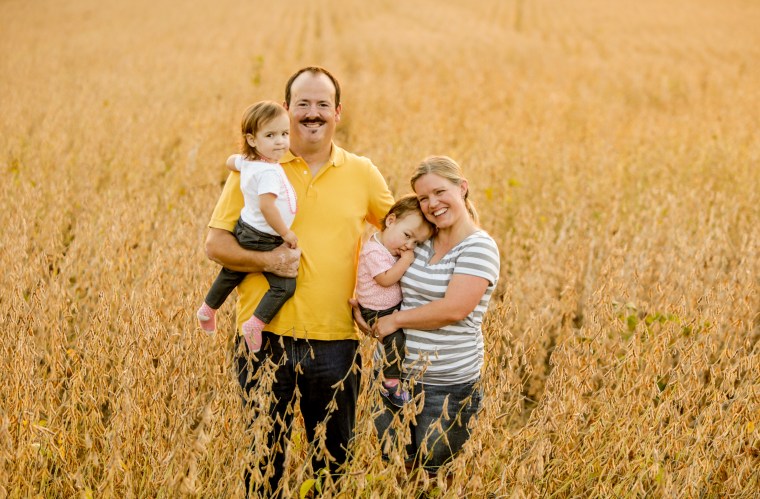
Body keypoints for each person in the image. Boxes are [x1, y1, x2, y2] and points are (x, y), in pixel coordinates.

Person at [204, 67, 394, 496]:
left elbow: (404, 230)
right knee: (261, 465)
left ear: (338, 113)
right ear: (286, 110)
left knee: (332, 467)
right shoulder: (256, 170)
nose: (313, 113)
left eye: (323, 104)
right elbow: (216, 245)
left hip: (335, 343)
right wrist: (269, 258)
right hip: (263, 338)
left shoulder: (362, 172)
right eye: (303, 104)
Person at [359, 155, 500, 474]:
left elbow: (454, 309)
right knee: (398, 470)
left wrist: (394, 321)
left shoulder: (478, 247)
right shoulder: (419, 241)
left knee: (436, 477)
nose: (432, 203)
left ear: (462, 188)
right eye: (423, 198)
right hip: (393, 378)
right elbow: (383, 281)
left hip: (445, 386)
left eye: (439, 192)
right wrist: (368, 319)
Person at [197, 101, 297, 354]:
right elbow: (267, 206)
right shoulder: (269, 173)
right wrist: (285, 233)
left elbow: (232, 161)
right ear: (252, 139)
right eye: (271, 135)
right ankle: (255, 324)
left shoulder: (251, 162)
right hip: (264, 235)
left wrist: (235, 160)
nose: (280, 142)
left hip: (246, 228)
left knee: (232, 271)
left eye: (285, 134)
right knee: (284, 286)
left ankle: (208, 309)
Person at [355, 194, 434, 407]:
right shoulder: (373, 251)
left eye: (416, 243)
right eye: (407, 236)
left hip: (390, 307)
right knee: (395, 340)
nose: (409, 245)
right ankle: (391, 381)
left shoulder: (390, 248)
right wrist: (407, 260)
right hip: (376, 311)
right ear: (390, 221)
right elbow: (386, 279)